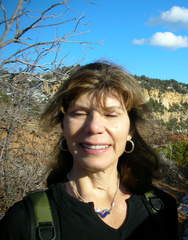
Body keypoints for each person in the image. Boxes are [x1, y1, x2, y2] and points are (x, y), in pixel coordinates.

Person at [0, 61, 178, 239]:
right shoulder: (23, 222)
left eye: (110, 114)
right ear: (63, 126)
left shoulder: (162, 208)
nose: (94, 127)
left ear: (130, 130)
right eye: (80, 113)